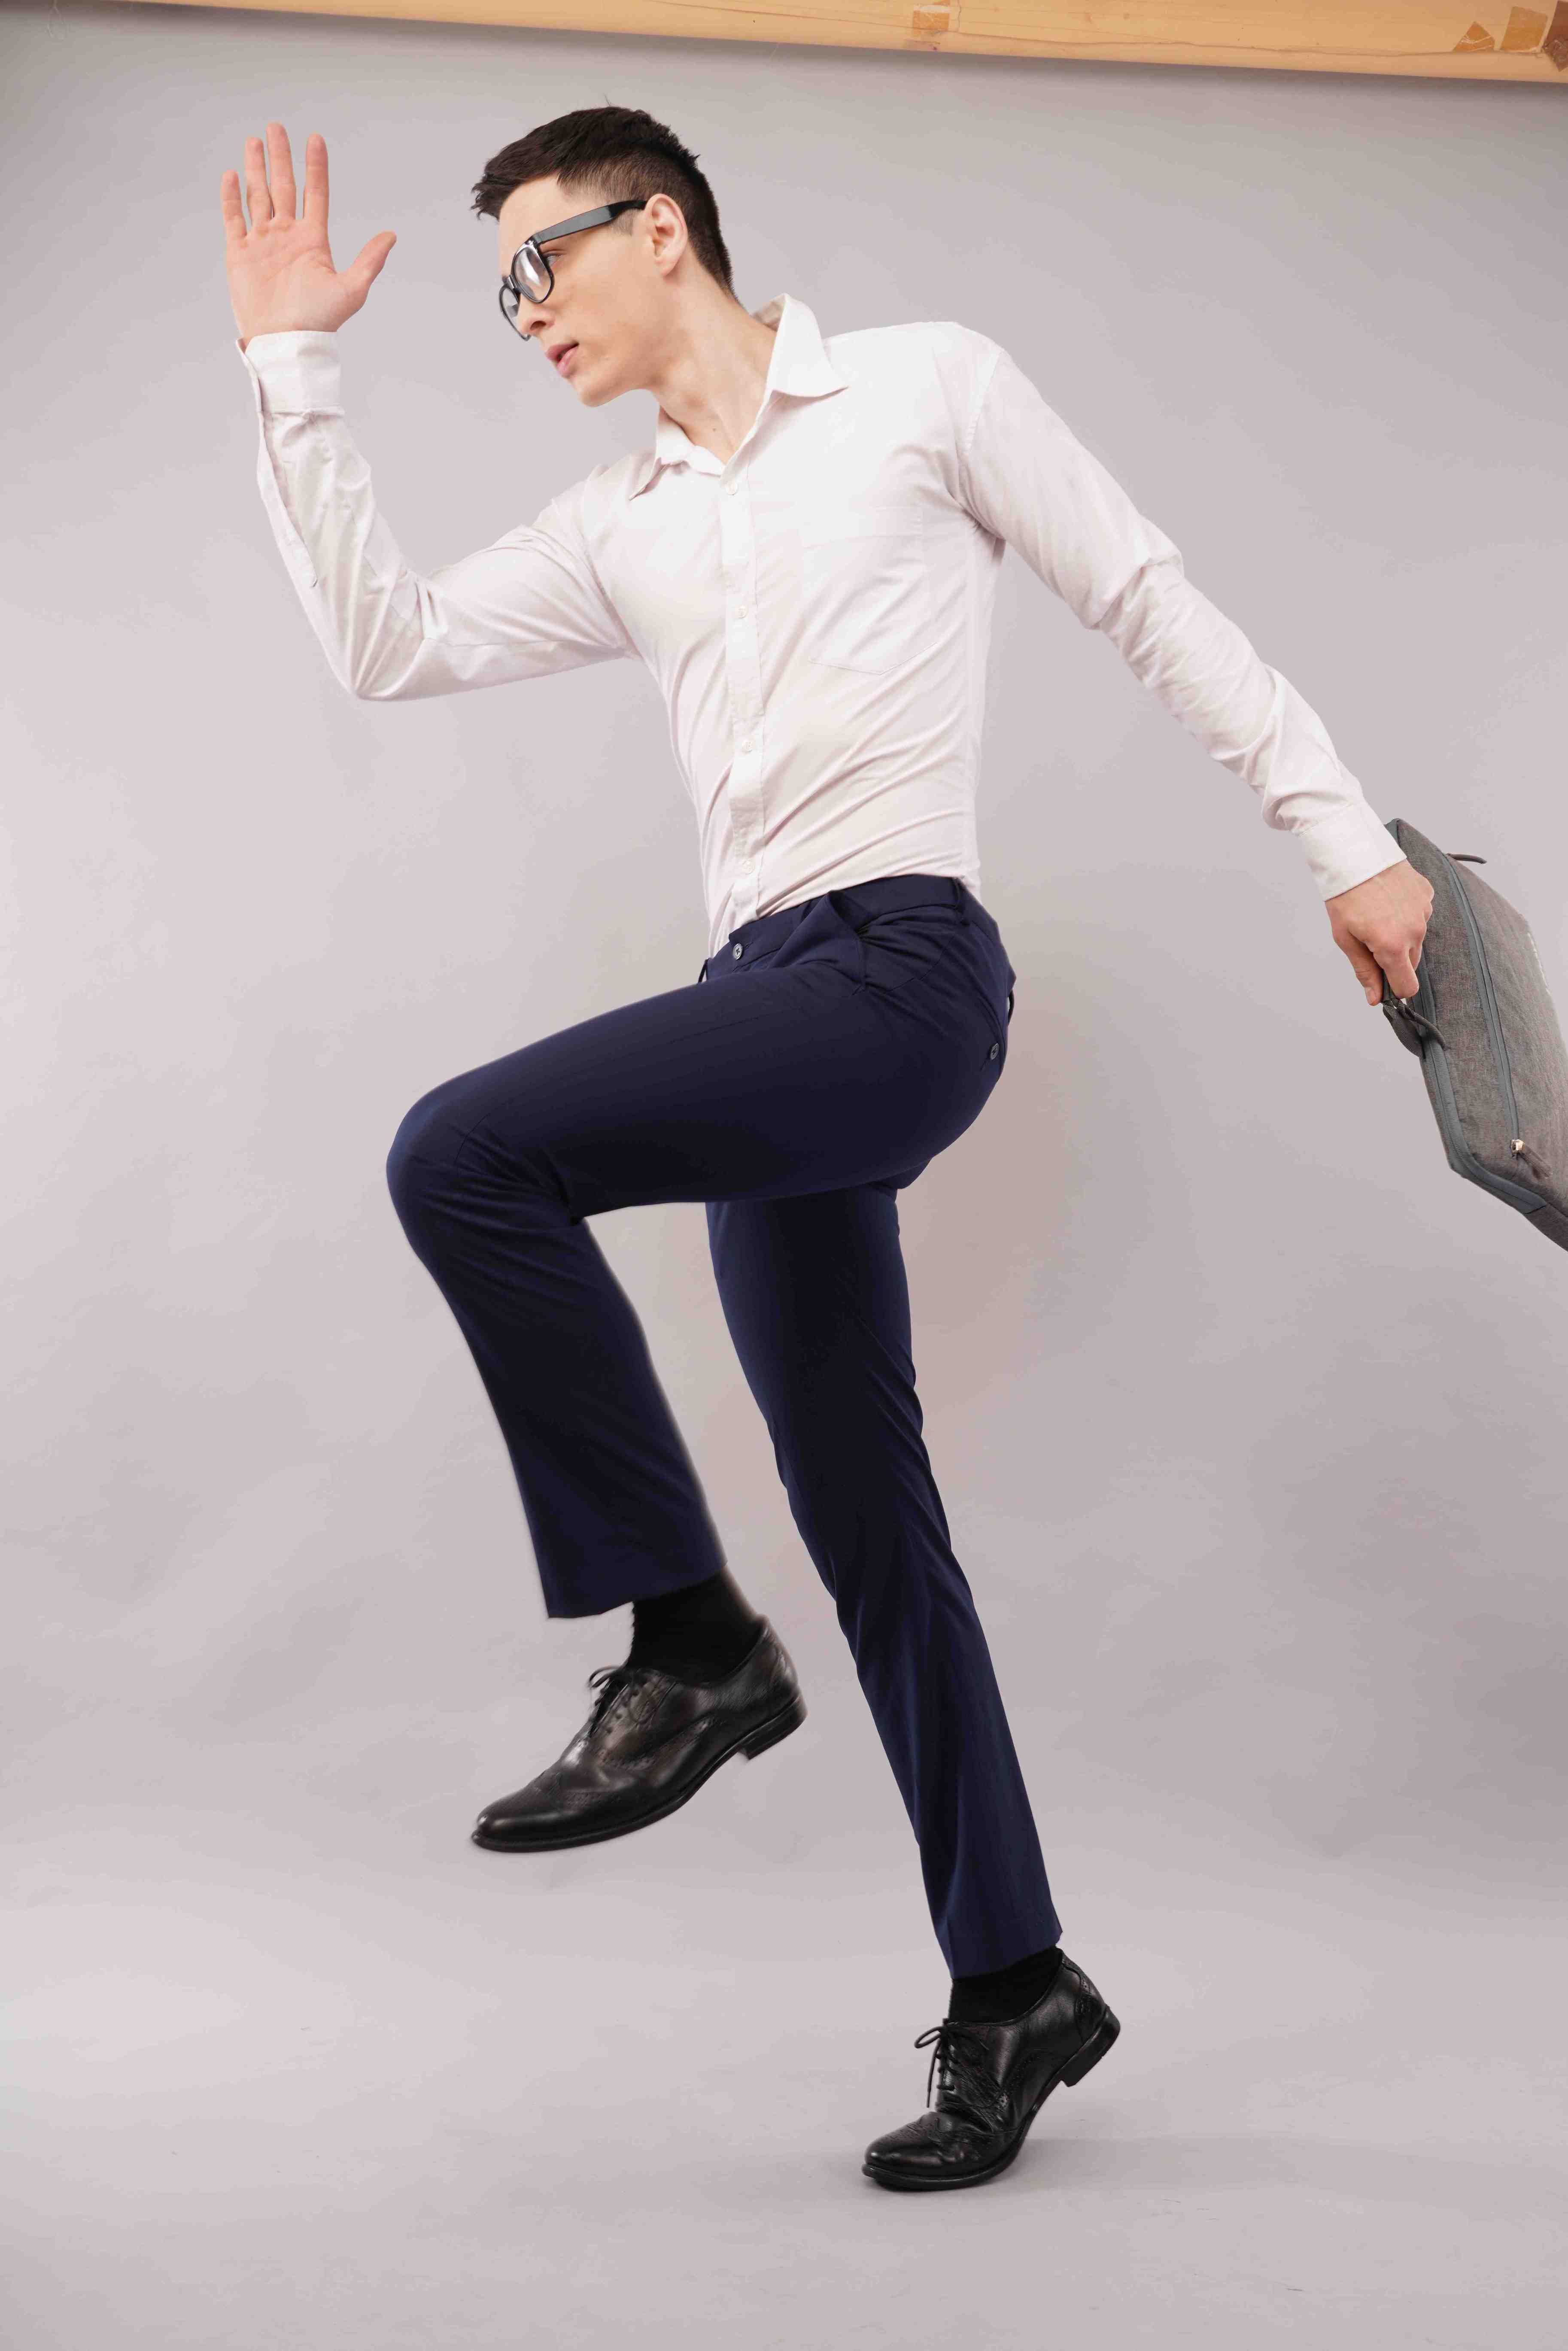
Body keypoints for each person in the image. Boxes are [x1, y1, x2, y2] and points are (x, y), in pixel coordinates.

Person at [219, 104, 1432, 2193]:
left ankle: (689, 1647)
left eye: (539, 263)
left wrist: (1348, 843)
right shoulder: (627, 519)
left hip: (900, 976)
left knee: (458, 1152)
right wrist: (288, 373)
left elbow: (1140, 594)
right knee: (875, 1530)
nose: (519, 309)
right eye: (502, 280)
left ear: (659, 229)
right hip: (766, 1009)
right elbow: (386, 643)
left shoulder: (923, 390)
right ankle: (1016, 1985)